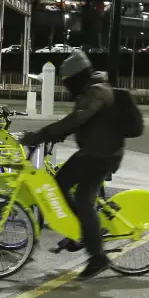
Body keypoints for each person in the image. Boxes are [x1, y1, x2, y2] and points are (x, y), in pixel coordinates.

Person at [19, 50, 124, 279]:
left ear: (78, 77)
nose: (66, 88)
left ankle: (97, 258)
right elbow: (84, 123)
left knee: (85, 200)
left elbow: (78, 119)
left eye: (67, 83)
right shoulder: (93, 88)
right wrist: (57, 135)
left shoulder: (96, 91)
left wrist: (41, 135)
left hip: (102, 155)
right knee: (59, 185)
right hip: (94, 152)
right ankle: (86, 230)